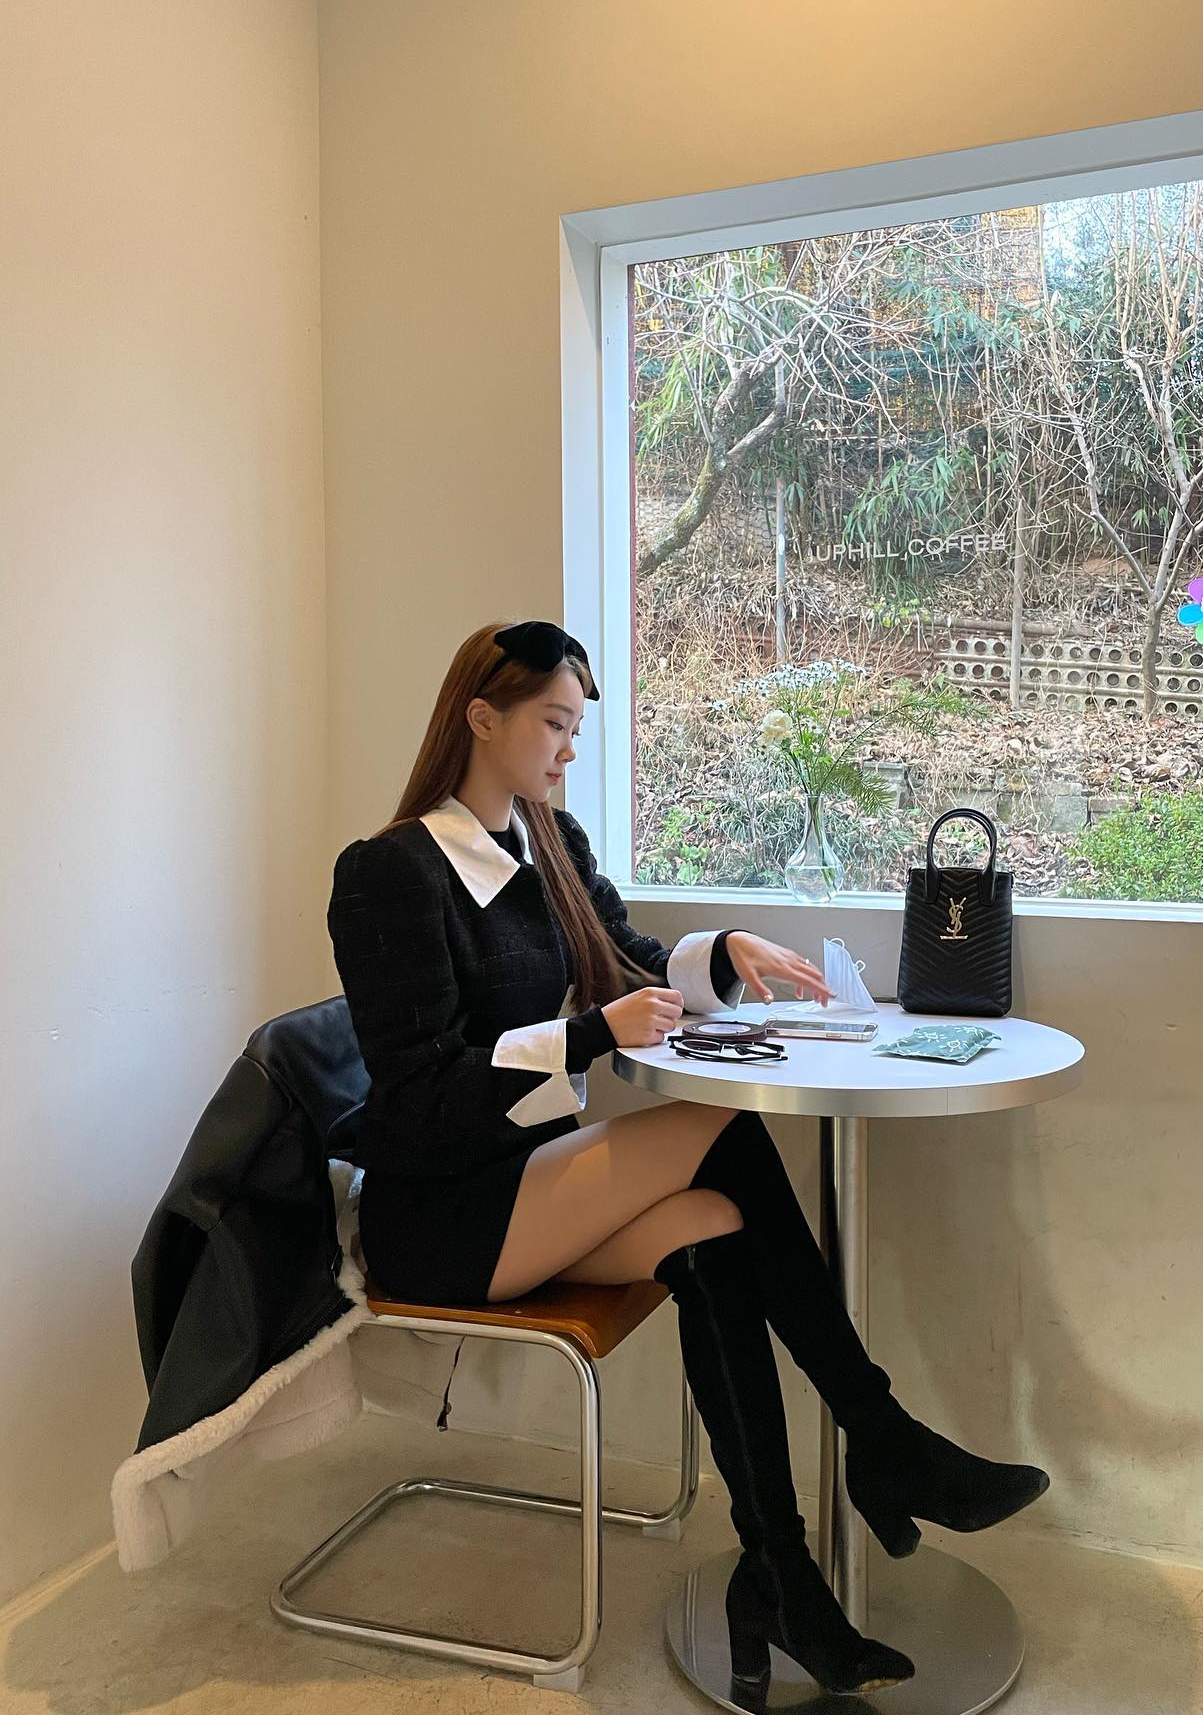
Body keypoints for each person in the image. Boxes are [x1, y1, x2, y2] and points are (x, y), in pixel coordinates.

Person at [327, 618, 1049, 1700]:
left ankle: (781, 1577)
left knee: (715, 1229)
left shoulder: (549, 843)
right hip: (439, 1216)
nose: (570, 748)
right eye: (554, 724)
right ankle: (884, 1435)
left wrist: (722, 952)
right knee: (729, 1130)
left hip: (528, 1191)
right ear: (480, 718)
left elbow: (630, 963)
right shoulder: (390, 872)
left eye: (576, 727)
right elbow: (421, 1096)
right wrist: (588, 1036)